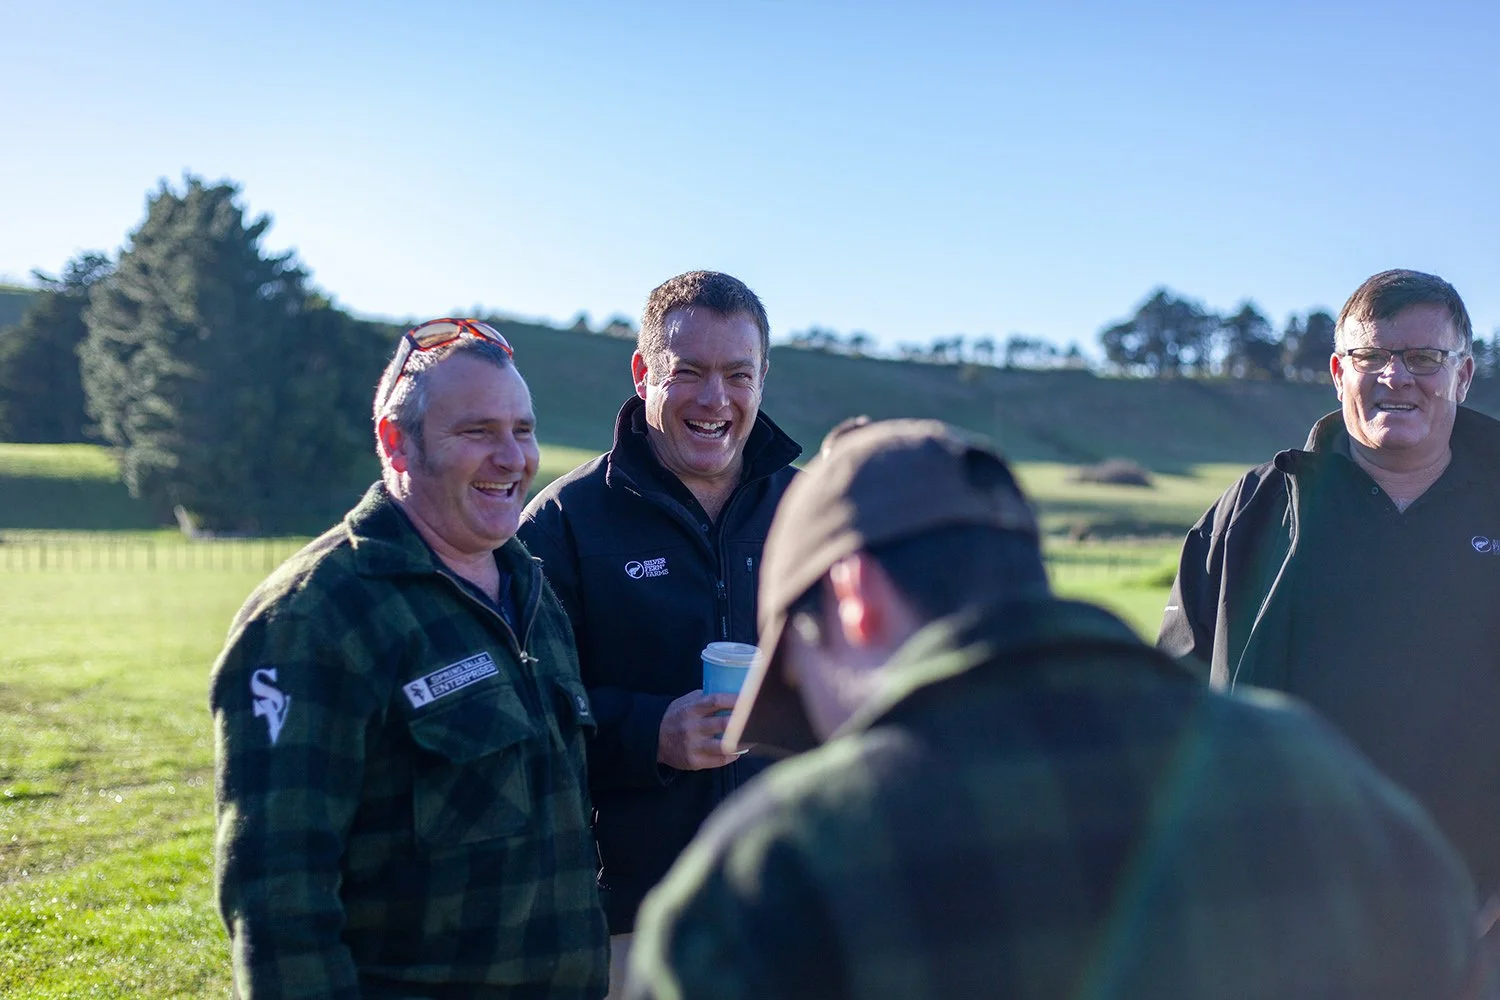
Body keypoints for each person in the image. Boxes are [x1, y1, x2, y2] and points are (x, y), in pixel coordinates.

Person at [627, 418, 1479, 999]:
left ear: (853, 599)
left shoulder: (776, 870)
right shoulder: (1334, 788)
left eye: (799, 674)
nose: (824, 733)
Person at [211, 318, 607, 999]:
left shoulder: (533, 595)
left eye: (522, 429)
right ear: (397, 443)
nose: (513, 458)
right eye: (478, 431)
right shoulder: (313, 617)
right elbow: (280, 908)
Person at [1158, 269, 1500, 899]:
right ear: (1341, 374)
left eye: (1424, 357)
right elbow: (1167, 703)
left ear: (1464, 374)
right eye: (1372, 356)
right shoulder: (1253, 515)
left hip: (1480, 930)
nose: (1397, 378)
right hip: (1282, 918)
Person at [518, 271, 801, 989]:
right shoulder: (564, 522)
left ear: (764, 376)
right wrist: (652, 735)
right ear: (644, 373)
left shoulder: (812, 512)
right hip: (633, 917)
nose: (716, 400)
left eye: (738, 374)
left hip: (793, 901)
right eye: (689, 373)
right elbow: (522, 712)